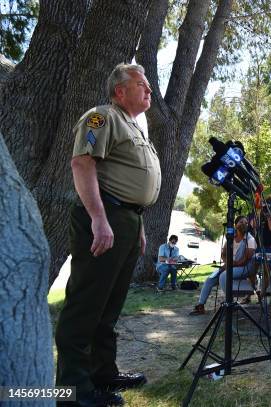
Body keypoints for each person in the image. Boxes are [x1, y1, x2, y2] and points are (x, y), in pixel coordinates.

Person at [55, 63, 159, 406]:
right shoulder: (101, 117)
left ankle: (102, 373)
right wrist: (99, 219)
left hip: (127, 220)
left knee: (109, 305)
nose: (148, 90)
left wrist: (138, 225)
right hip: (104, 217)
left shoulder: (134, 126)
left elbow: (131, 185)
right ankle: (72, 391)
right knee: (86, 305)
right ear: (120, 91)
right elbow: (82, 164)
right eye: (141, 85)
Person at [190, 216, 256, 315]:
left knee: (224, 276)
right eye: (241, 222)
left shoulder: (250, 239)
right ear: (235, 225)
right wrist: (226, 263)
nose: (244, 224)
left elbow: (245, 260)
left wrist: (230, 265)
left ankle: (230, 302)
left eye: (246, 223)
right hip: (230, 266)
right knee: (209, 280)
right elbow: (223, 254)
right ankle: (201, 305)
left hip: (244, 268)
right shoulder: (231, 238)